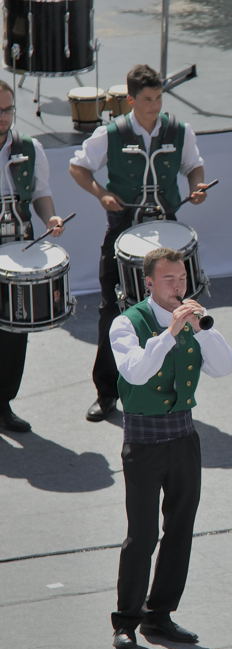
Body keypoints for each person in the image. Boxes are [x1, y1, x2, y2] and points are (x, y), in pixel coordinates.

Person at [69, 64, 211, 423]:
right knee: (111, 313)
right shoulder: (110, 133)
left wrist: (197, 187)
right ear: (131, 100)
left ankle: (171, 388)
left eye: (159, 98)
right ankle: (106, 393)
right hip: (122, 236)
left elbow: (194, 166)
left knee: (173, 312)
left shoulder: (180, 131)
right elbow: (78, 167)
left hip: (165, 238)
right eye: (148, 99)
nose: (155, 105)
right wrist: (101, 194)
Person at [109, 247, 232, 649]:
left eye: (181, 278)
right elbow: (136, 372)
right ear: (148, 282)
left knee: (180, 530)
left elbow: (225, 368)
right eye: (169, 280)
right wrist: (170, 333)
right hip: (144, 443)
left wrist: (203, 329)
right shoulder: (126, 324)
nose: (178, 287)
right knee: (142, 535)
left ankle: (159, 614)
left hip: (183, 438)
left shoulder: (194, 322)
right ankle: (126, 619)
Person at [0, 79, 66, 432]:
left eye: (9, 109)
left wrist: (50, 218)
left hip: (18, 250)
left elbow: (41, 192)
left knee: (14, 329)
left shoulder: (30, 148)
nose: (4, 117)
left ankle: (3, 403)